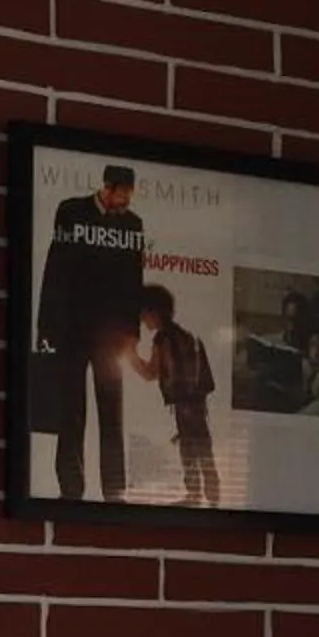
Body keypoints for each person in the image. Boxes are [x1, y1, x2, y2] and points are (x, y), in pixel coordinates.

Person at [33, 162, 147, 500]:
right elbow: (55, 268)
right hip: (71, 327)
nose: (125, 205)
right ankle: (71, 488)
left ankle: (114, 490)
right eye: (121, 197)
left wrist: (132, 334)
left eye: (129, 199)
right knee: (71, 410)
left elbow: (133, 282)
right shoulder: (70, 211)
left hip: (111, 335)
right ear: (107, 188)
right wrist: (45, 324)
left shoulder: (133, 224)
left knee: (111, 411)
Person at [132, 284, 219, 506]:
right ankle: (213, 494)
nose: (143, 321)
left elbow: (152, 372)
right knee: (203, 446)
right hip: (199, 403)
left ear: (153, 312)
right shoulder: (185, 335)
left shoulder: (163, 339)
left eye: (143, 314)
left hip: (184, 404)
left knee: (189, 449)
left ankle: (195, 494)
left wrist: (129, 356)